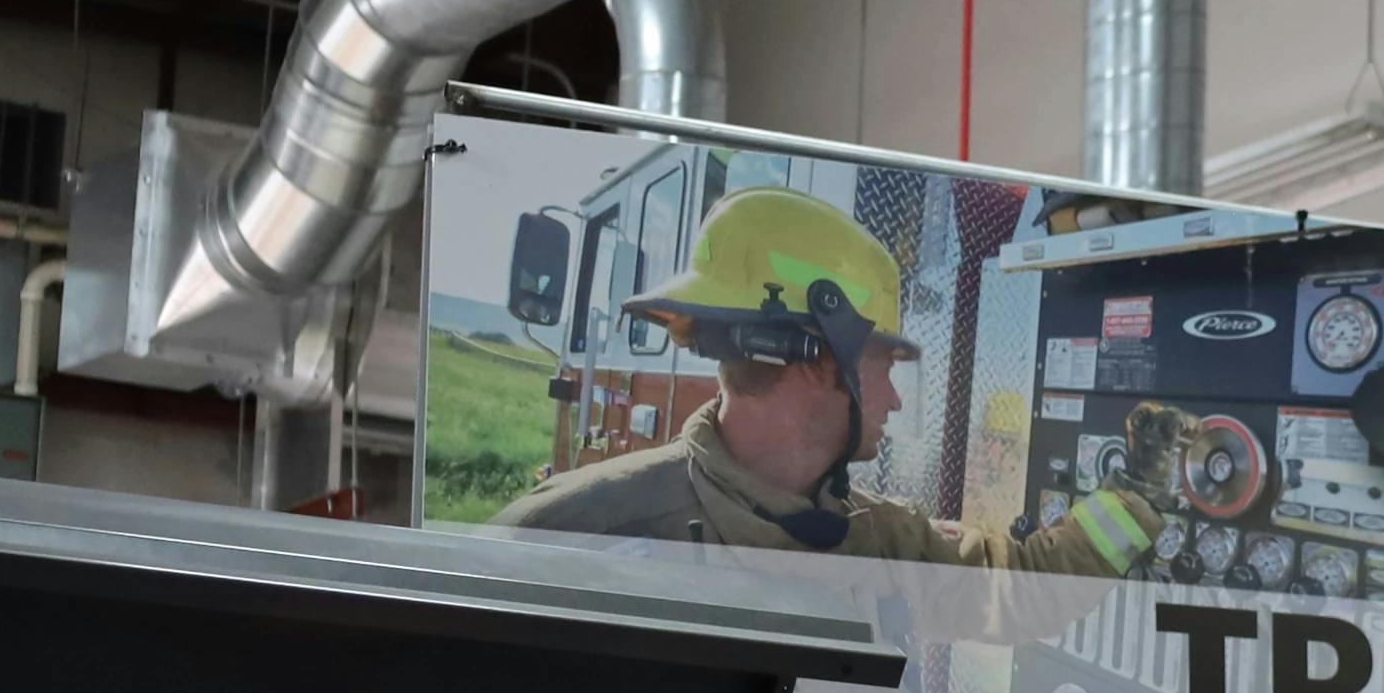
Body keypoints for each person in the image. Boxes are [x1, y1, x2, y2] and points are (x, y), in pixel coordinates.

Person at [503, 185, 1200, 573]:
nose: (896, 396)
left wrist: (1140, 490)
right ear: (820, 356)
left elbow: (1021, 587)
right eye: (885, 365)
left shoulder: (865, 533)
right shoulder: (561, 540)